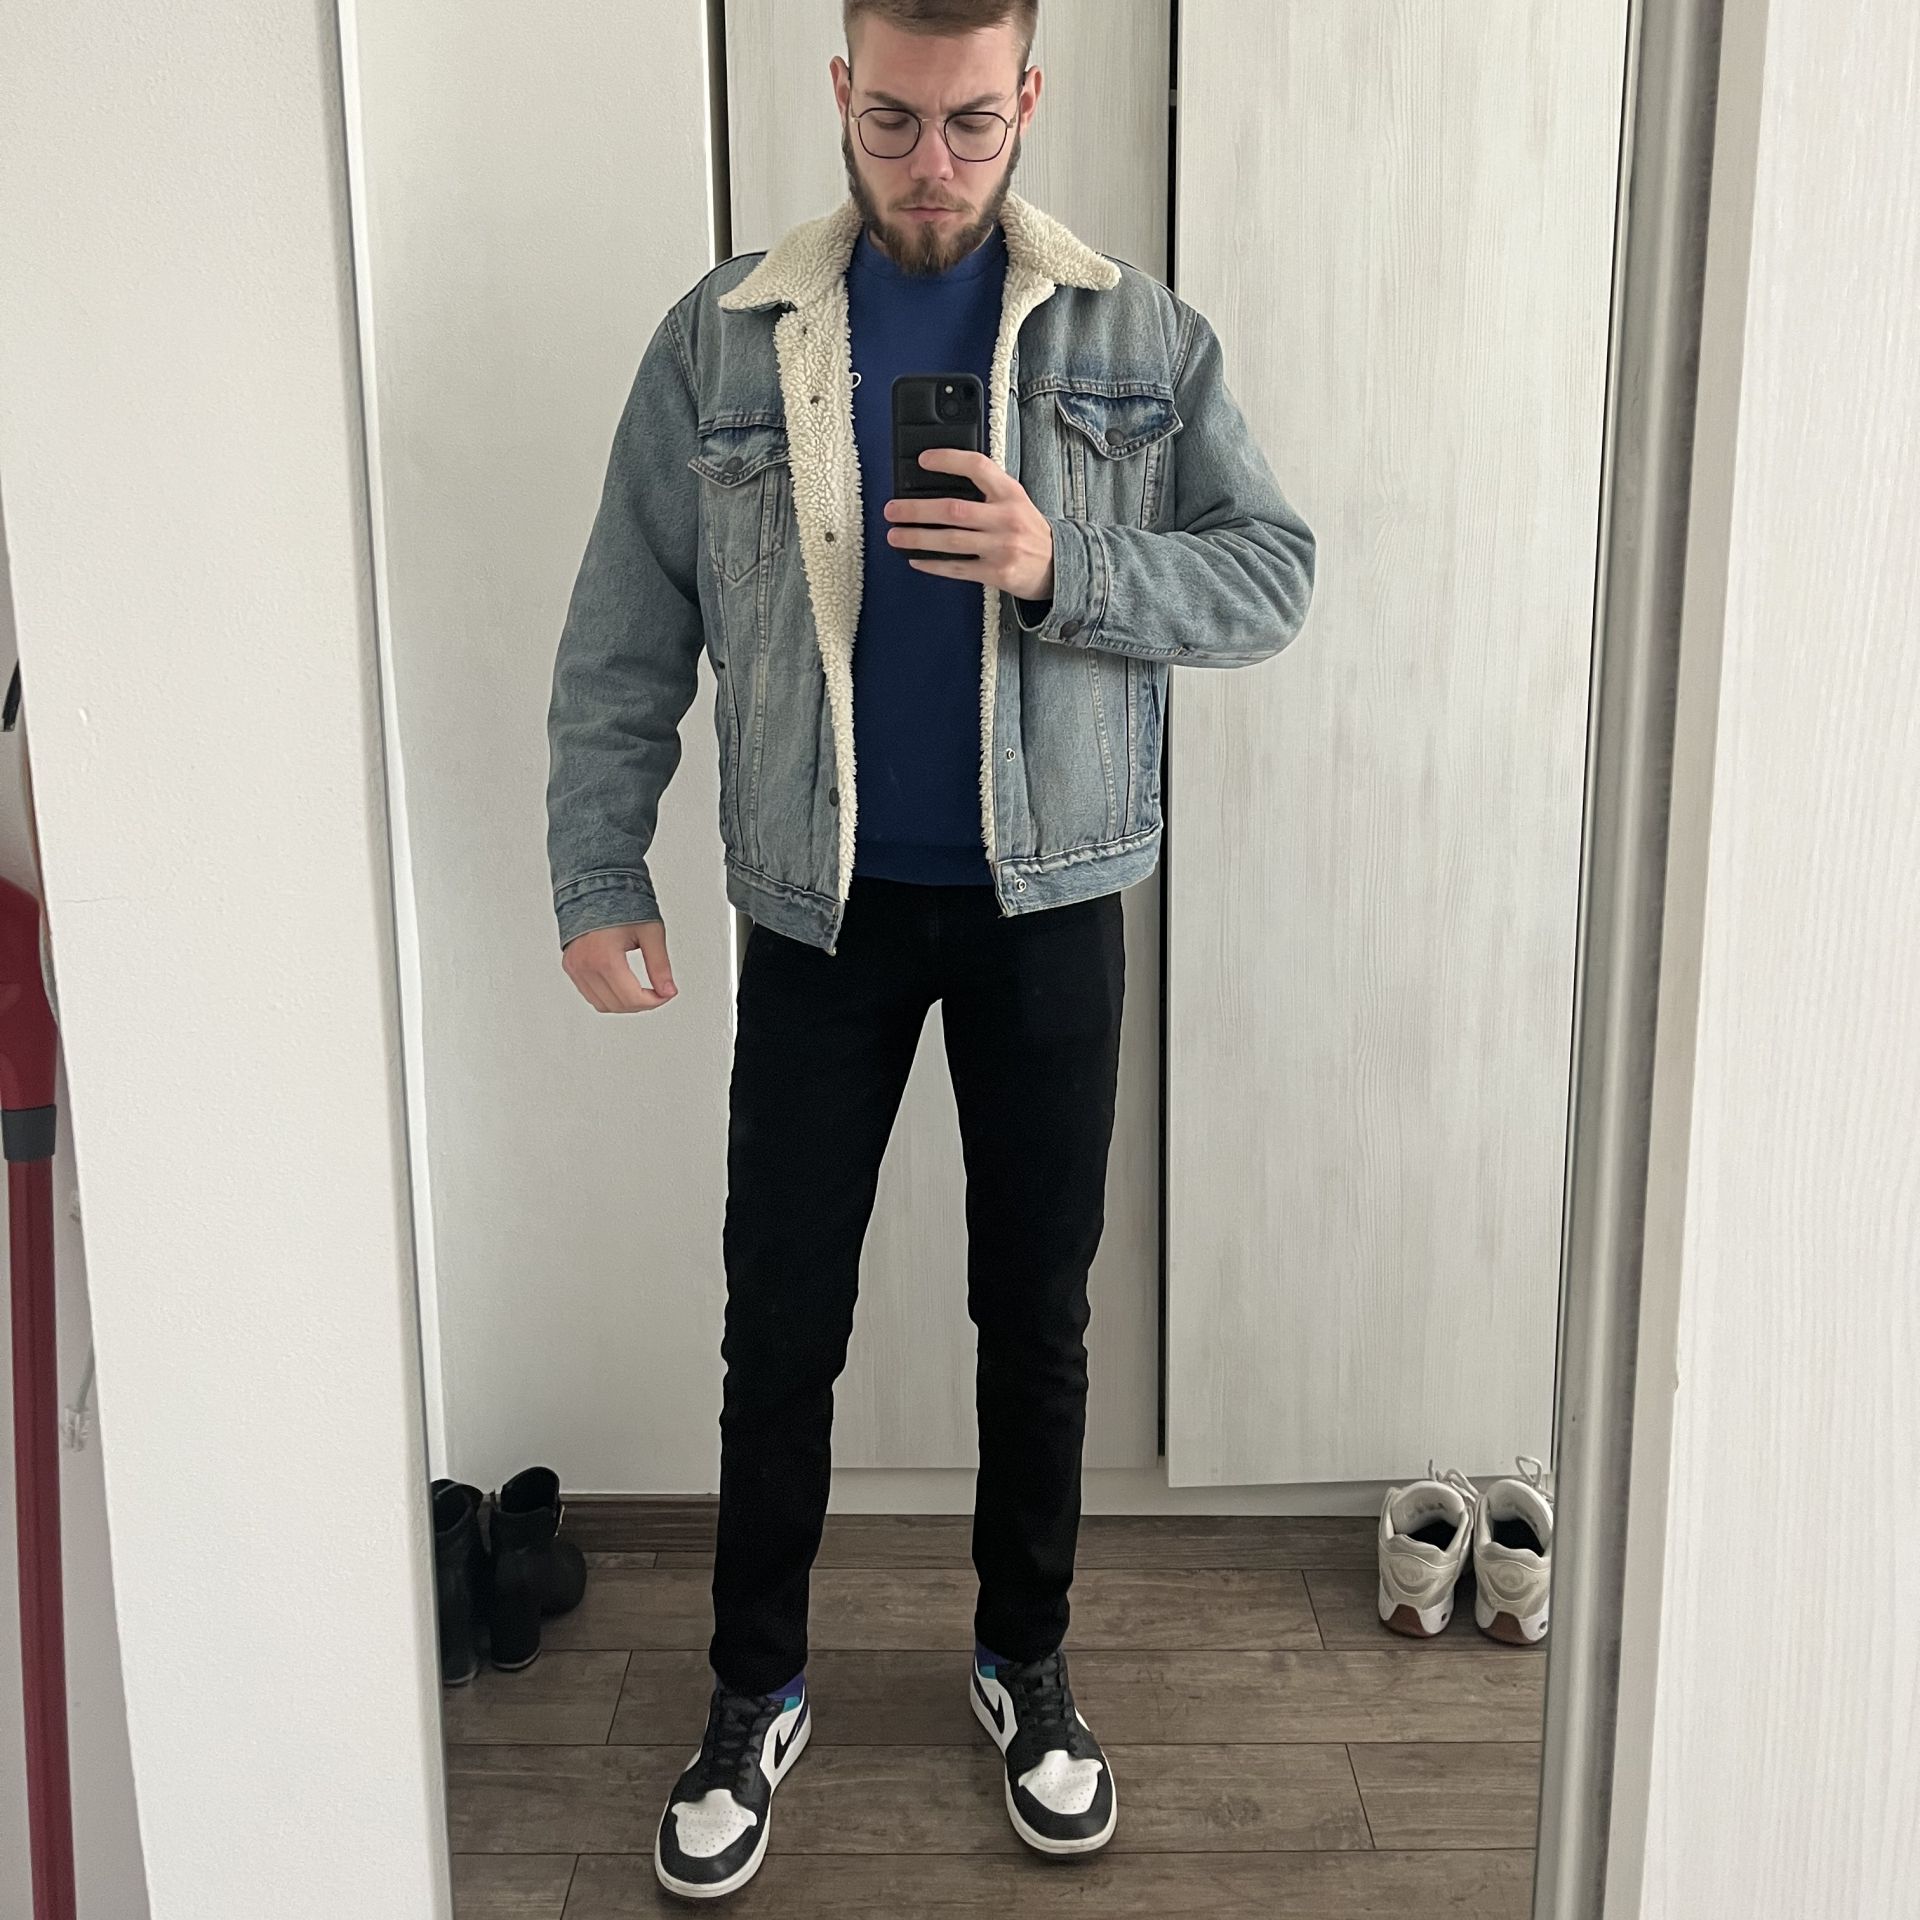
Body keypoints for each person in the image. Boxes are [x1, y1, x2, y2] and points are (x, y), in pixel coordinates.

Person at [544, 0, 1315, 1898]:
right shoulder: (724, 337)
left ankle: (1024, 1667)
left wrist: (1069, 565)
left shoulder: (1138, 338)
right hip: (818, 910)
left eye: (973, 123)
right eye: (892, 121)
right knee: (780, 1317)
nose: (933, 167)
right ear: (841, 91)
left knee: (1034, 1316)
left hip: (1049, 903)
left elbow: (1273, 571)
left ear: (1027, 97)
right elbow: (626, 622)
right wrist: (598, 867)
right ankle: (754, 1689)